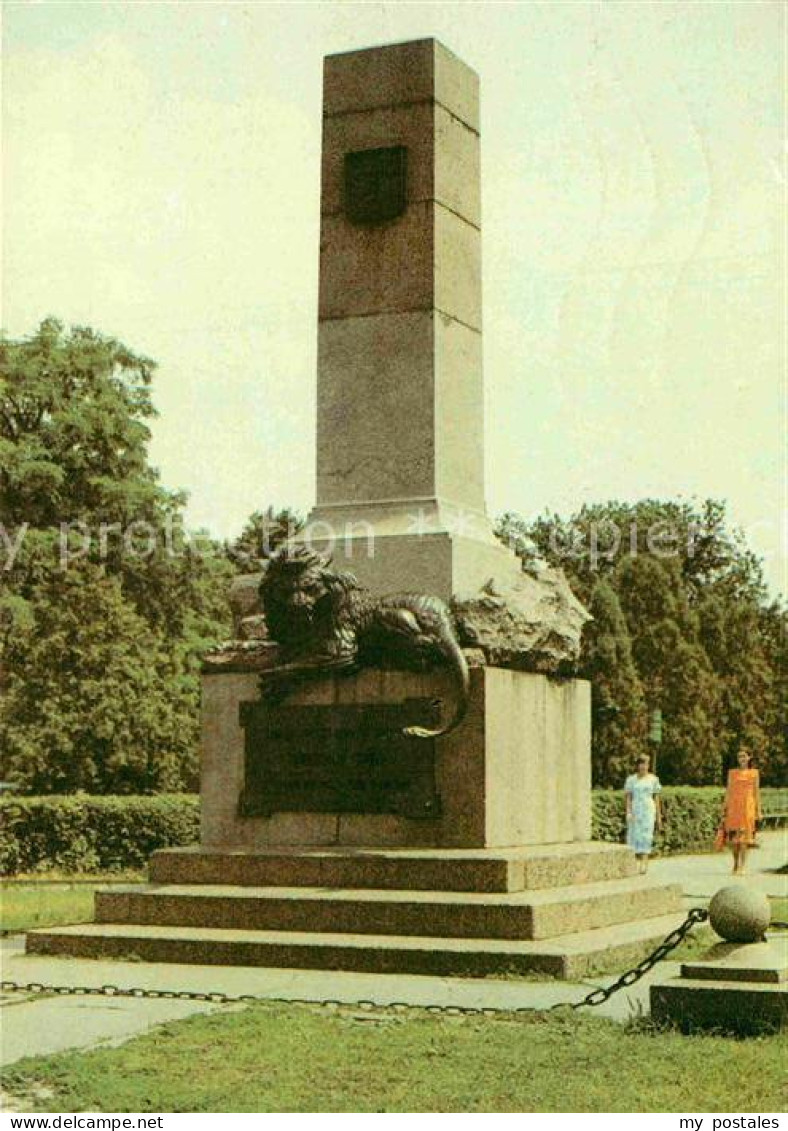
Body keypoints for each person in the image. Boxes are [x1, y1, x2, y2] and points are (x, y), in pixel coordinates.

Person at [721, 747, 762, 875]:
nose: (742, 759)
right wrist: (724, 807)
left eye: (744, 756)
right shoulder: (732, 773)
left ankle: (742, 866)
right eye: (739, 756)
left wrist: (758, 810)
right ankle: (735, 864)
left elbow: (756, 792)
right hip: (734, 807)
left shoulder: (754, 773)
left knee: (745, 838)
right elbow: (729, 790)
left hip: (747, 807)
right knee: (734, 839)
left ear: (749, 758)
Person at [624, 756, 663, 873]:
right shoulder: (631, 780)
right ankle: (634, 864)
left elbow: (656, 798)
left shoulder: (653, 780)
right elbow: (628, 797)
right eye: (641, 764)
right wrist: (628, 811)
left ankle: (644, 864)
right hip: (636, 810)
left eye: (645, 764)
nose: (643, 767)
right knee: (634, 836)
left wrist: (658, 816)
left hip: (648, 810)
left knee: (646, 837)